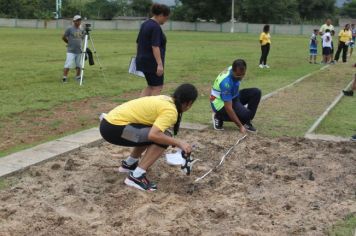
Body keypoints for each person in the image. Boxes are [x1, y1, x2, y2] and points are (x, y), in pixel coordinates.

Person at [99, 84, 198, 191]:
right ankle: (136, 177)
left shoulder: (166, 99)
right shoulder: (171, 111)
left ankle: (129, 164)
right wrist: (179, 143)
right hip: (114, 129)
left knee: (157, 133)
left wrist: (174, 141)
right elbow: (154, 135)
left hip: (109, 124)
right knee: (163, 137)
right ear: (189, 103)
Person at [211, 59, 261, 133]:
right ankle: (218, 116)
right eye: (238, 75)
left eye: (243, 74)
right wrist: (240, 126)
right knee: (246, 115)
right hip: (221, 103)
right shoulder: (226, 83)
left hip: (233, 96)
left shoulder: (235, 68)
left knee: (256, 92)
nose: (240, 77)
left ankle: (246, 121)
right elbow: (228, 108)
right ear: (233, 71)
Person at [136, 3, 170, 97]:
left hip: (143, 60)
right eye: (166, 18)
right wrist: (159, 64)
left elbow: (138, 42)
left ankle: (139, 107)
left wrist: (138, 56)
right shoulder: (155, 27)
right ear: (161, 15)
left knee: (151, 86)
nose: (166, 20)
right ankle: (150, 110)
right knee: (157, 87)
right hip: (152, 62)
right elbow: (155, 46)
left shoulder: (145, 24)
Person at [62, 15, 84, 83]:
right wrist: (68, 43)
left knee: (79, 65)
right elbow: (63, 37)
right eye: (77, 20)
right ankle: (64, 78)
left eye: (80, 20)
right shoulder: (70, 28)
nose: (79, 21)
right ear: (74, 21)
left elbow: (82, 38)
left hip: (79, 50)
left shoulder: (81, 29)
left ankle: (78, 77)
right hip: (71, 51)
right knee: (68, 64)